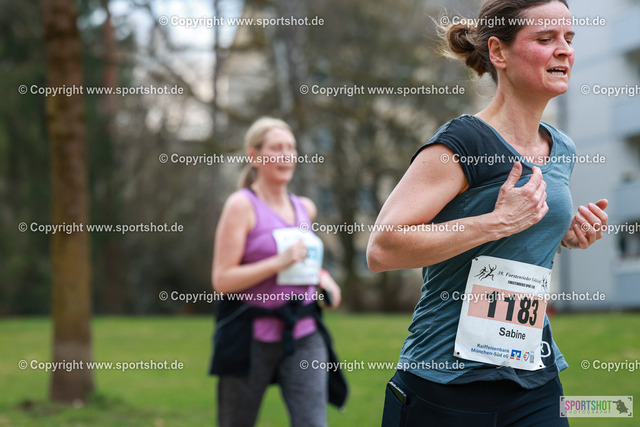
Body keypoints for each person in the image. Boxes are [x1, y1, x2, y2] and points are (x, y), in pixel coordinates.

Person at [367, 1, 608, 425]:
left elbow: (518, 239)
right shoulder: (463, 143)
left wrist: (563, 235)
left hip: (533, 377)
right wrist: (496, 222)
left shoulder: (562, 148)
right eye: (546, 38)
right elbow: (383, 249)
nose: (565, 50)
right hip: (445, 383)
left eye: (569, 39)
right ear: (498, 52)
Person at [208, 117, 346, 427]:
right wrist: (277, 263)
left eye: (291, 148)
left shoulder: (305, 208)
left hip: (303, 333)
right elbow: (222, 280)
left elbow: (306, 262)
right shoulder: (241, 206)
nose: (286, 155)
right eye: (276, 148)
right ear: (254, 156)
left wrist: (324, 280)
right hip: (250, 337)